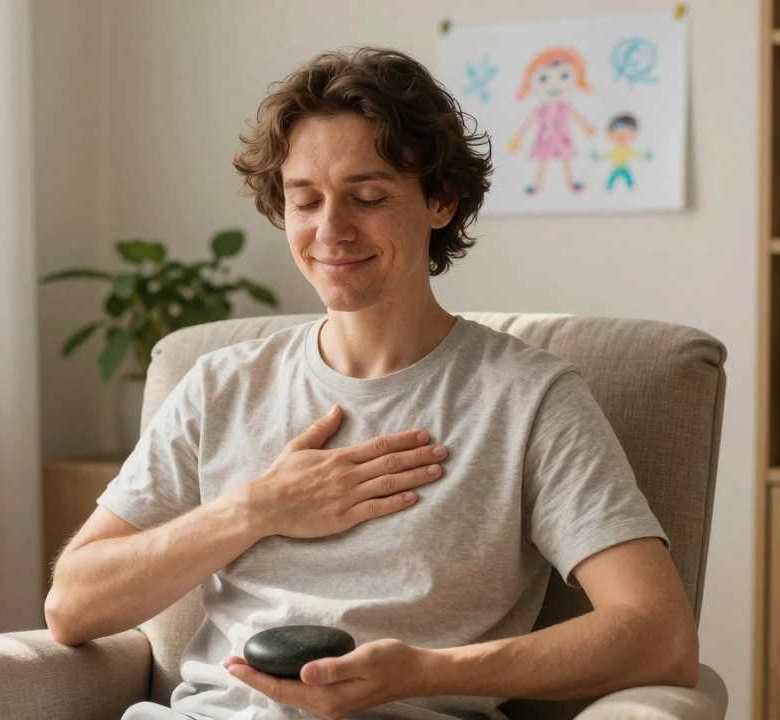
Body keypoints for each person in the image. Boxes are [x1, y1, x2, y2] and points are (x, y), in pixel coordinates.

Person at [45, 47, 698, 720]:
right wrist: (256, 509)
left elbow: (661, 635)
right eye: (305, 201)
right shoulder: (221, 384)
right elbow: (72, 606)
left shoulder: (529, 399)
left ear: (440, 200)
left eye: (368, 198)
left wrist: (424, 672)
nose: (331, 232)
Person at [506, 47, 596, 196]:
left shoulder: (564, 107)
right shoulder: (541, 110)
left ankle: (571, 183)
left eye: (564, 76)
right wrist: (518, 138)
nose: (554, 85)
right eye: (543, 79)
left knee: (565, 159)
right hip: (545, 138)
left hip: (561, 137)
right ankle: (537, 185)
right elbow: (528, 123)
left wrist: (587, 127)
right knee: (543, 160)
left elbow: (576, 117)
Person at [591, 113, 653, 191]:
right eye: (618, 134)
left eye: (625, 134)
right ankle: (611, 187)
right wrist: (599, 157)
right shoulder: (616, 151)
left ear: (634, 134)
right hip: (617, 167)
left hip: (623, 167)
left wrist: (644, 156)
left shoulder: (627, 150)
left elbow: (635, 154)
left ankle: (629, 187)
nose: (622, 137)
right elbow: (607, 155)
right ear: (609, 134)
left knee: (627, 177)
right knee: (614, 177)